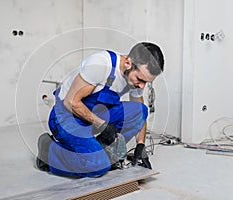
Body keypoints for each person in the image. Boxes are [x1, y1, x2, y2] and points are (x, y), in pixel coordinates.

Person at [36, 42, 164, 178]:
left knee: (141, 110)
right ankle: (49, 152)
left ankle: (104, 151)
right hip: (66, 116)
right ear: (128, 62)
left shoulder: (137, 81)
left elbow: (140, 112)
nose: (142, 85)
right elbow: (70, 102)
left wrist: (141, 146)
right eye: (139, 79)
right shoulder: (100, 65)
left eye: (146, 82)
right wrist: (103, 126)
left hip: (95, 115)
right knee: (97, 165)